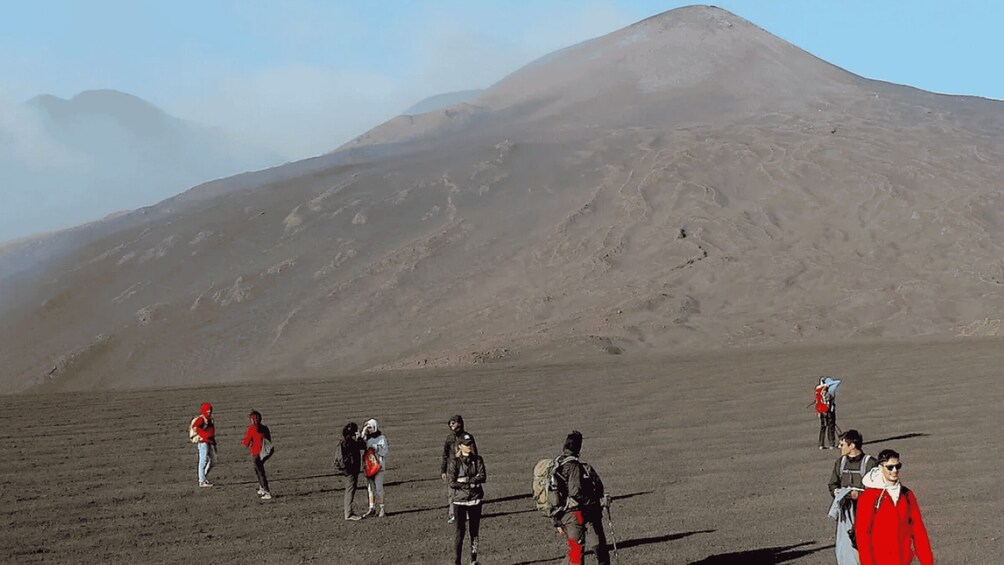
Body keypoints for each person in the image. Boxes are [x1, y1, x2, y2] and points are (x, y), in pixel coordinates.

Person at [855, 449, 934, 565]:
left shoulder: (907, 494)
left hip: (903, 559)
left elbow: (918, 530)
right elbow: (862, 534)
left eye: (898, 466)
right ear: (880, 468)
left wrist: (927, 561)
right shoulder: (869, 497)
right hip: (879, 560)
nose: (895, 471)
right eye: (890, 467)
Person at [552, 431, 610, 565]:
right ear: (578, 448)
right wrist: (596, 502)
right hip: (575, 513)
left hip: (562, 513)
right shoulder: (574, 466)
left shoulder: (557, 463)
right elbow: (575, 492)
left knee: (577, 551)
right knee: (577, 554)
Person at [827, 429, 878, 564]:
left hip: (867, 512)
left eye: (842, 444)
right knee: (846, 546)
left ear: (852, 446)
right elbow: (832, 483)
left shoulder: (871, 463)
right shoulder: (840, 463)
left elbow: (879, 491)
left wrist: (859, 495)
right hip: (846, 513)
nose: (839, 447)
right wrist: (837, 491)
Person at [447, 433, 486, 565]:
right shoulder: (454, 462)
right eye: (467, 444)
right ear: (460, 446)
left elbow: (482, 477)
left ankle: (473, 560)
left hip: (475, 500)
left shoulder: (478, 460)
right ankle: (457, 561)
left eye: (471, 444)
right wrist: (472, 482)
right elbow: (452, 482)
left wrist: (466, 480)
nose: (470, 446)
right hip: (460, 502)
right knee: (460, 532)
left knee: (474, 532)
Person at [442, 415, 478, 524]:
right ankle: (453, 514)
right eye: (450, 423)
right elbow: (445, 455)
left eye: (453, 423)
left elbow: (474, 453)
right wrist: (443, 470)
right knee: (451, 492)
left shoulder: (467, 437)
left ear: (460, 423)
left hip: (465, 469)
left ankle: (467, 512)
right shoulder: (449, 438)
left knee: (465, 490)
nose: (451, 425)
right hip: (453, 469)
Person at [241, 410, 273, 500]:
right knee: (258, 470)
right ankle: (262, 488)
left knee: (260, 472)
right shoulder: (265, 428)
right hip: (265, 452)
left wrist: (243, 441)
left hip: (256, 453)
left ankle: (267, 492)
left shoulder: (251, 429)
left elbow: (246, 443)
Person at [360, 418, 389, 518]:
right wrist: (363, 433)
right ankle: (371, 508)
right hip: (368, 466)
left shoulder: (382, 438)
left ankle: (382, 508)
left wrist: (375, 448)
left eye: (369, 427)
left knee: (379, 487)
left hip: (379, 466)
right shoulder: (366, 438)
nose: (368, 430)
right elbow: (360, 445)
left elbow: (384, 450)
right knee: (370, 488)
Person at [339, 422, 366, 520]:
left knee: (349, 489)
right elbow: (363, 446)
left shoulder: (344, 442)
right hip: (352, 470)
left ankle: (348, 512)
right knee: (350, 490)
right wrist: (359, 437)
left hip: (346, 469)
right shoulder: (352, 443)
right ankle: (348, 513)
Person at [191, 402, 217, 487]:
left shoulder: (211, 419)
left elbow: (212, 432)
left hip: (210, 442)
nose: (209, 411)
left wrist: (214, 442)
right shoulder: (201, 419)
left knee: (213, 461)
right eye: (207, 410)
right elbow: (195, 427)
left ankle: (203, 476)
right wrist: (203, 435)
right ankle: (201, 481)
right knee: (203, 461)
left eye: (210, 410)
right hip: (203, 442)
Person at [815, 376, 841, 449]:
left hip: (821, 411)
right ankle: (831, 444)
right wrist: (829, 383)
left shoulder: (819, 390)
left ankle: (821, 444)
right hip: (830, 410)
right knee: (831, 427)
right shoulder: (831, 390)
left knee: (823, 427)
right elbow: (838, 381)